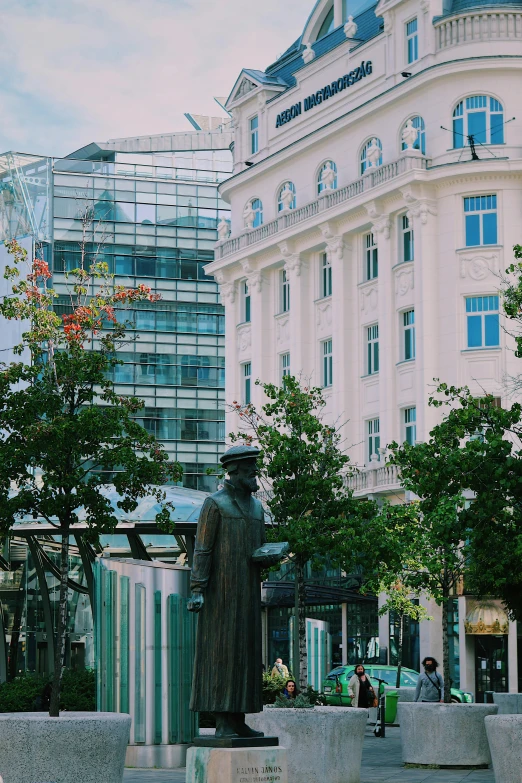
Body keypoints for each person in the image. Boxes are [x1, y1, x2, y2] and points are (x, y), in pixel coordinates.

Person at [187, 444, 288, 739]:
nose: (255, 475)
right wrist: (197, 588)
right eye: (250, 470)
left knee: (245, 654)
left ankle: (239, 719)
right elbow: (202, 550)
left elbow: (259, 546)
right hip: (220, 595)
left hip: (247, 592)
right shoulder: (215, 504)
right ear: (235, 472)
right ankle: (223, 722)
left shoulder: (257, 507)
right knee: (222, 655)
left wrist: (269, 555)